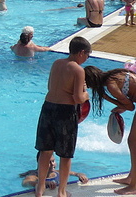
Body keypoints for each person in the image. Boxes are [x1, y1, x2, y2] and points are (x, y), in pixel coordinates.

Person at [84, 65, 136, 195]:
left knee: (133, 142)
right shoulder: (114, 75)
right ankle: (131, 177)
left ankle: (135, 186)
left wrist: (105, 97)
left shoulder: (111, 85)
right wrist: (122, 106)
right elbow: (129, 98)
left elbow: (130, 106)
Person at [33, 36, 91, 197]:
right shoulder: (78, 70)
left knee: (45, 151)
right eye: (87, 55)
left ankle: (40, 188)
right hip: (65, 113)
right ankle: (62, 192)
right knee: (65, 155)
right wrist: (86, 94)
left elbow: (50, 86)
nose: (87, 59)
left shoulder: (56, 63)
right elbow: (78, 98)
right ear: (81, 53)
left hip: (47, 108)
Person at [20, 152, 88, 190]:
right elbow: (26, 183)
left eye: (53, 161)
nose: (52, 164)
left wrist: (80, 174)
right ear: (41, 163)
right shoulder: (35, 176)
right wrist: (44, 183)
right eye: (49, 162)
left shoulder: (57, 172)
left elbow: (74, 173)